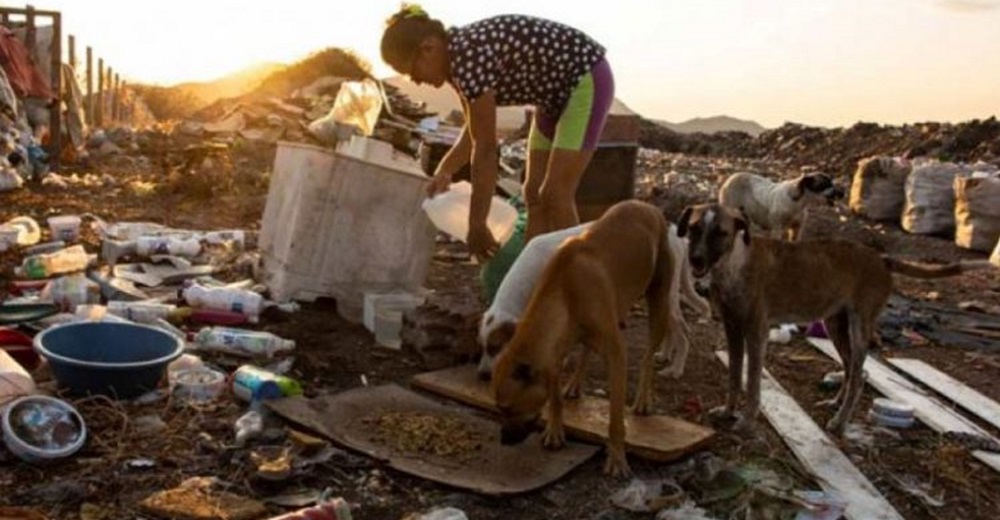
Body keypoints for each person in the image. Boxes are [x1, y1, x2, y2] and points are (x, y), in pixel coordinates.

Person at [381, 4, 615, 260]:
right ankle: (531, 281)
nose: (414, 80)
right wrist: (444, 171)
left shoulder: (467, 59)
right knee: (533, 194)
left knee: (556, 194)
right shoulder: (459, 63)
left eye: (411, 70)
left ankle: (580, 285)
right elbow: (473, 133)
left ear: (428, 47)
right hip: (551, 98)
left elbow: (486, 149)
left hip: (584, 78)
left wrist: (477, 225)